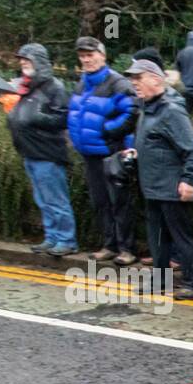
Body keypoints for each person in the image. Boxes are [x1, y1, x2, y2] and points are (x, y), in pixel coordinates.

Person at [123, 59, 193, 298]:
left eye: (138, 78)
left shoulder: (171, 110)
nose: (134, 83)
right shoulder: (147, 108)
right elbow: (156, 143)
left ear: (156, 79)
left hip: (173, 187)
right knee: (157, 239)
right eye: (132, 79)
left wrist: (189, 180)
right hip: (152, 187)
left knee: (182, 239)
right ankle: (161, 281)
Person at [68, 36, 137, 265]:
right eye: (82, 56)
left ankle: (127, 249)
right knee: (101, 202)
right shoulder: (82, 83)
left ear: (102, 55)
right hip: (90, 154)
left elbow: (132, 113)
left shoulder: (118, 83)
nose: (86, 60)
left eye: (90, 55)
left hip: (112, 152)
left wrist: (107, 131)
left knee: (120, 202)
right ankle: (109, 245)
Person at [7, 44, 77, 257]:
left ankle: (67, 240)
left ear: (39, 61)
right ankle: (52, 237)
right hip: (30, 152)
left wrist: (40, 117)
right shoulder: (28, 86)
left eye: (27, 60)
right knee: (43, 199)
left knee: (56, 199)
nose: (23, 63)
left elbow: (64, 118)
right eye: (21, 61)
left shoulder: (53, 86)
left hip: (48, 153)